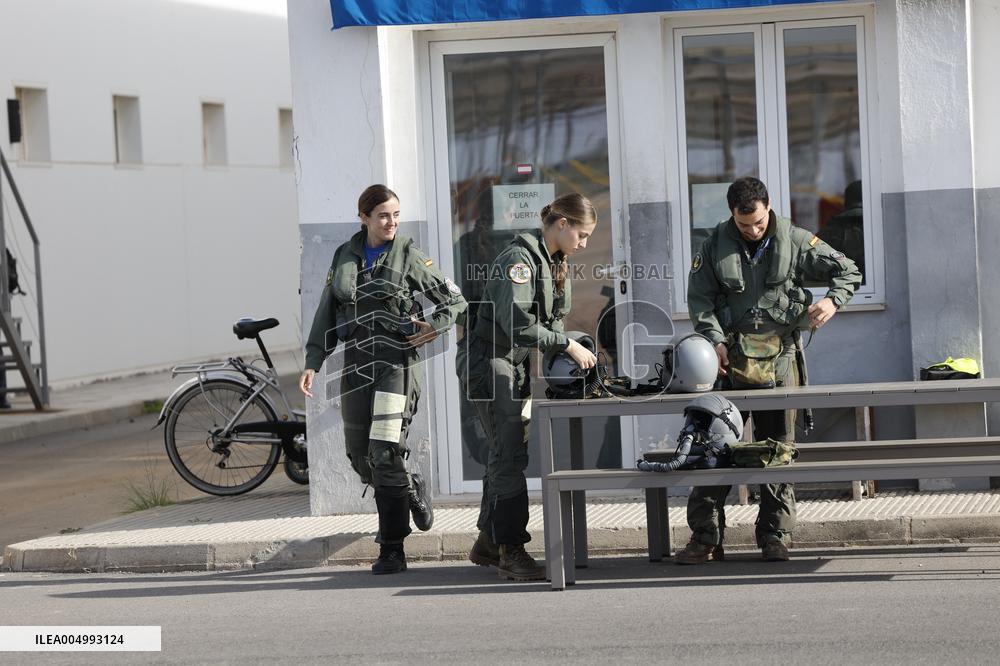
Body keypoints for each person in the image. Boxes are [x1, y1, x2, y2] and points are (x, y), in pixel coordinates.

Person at [679, 176, 861, 564]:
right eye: (744, 225)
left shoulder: (795, 240)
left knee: (778, 451)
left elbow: (848, 271)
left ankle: (775, 536)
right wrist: (714, 340)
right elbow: (700, 300)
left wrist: (832, 303)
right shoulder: (713, 247)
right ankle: (706, 538)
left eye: (759, 223)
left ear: (768, 207)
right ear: (731, 214)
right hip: (729, 365)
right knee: (713, 450)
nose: (753, 231)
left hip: (780, 363)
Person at [300, 184, 467, 575]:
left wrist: (434, 327)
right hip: (355, 365)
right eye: (382, 215)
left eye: (395, 214)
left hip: (397, 364)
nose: (391, 221)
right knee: (360, 457)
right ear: (364, 218)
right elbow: (327, 311)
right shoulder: (345, 255)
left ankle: (392, 547)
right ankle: (409, 488)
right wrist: (313, 361)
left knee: (385, 451)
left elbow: (454, 301)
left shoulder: (409, 255)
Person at [458, 192, 598, 581]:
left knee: (506, 453)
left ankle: (489, 541)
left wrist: (569, 342)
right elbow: (517, 324)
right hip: (490, 366)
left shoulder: (553, 261)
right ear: (563, 224)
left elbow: (549, 322)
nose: (584, 244)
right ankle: (511, 550)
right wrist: (565, 343)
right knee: (508, 458)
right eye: (582, 235)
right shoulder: (518, 262)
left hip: (512, 366)